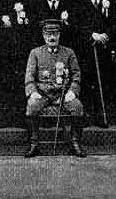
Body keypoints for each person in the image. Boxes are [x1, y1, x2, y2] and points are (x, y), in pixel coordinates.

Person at [24, 19, 86, 158]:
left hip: (63, 93)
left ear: (59, 35)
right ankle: (34, 144)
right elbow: (29, 76)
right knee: (32, 106)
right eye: (48, 34)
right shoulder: (35, 53)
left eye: (55, 34)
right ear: (43, 36)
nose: (52, 37)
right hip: (43, 94)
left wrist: (72, 91)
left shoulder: (69, 53)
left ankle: (75, 143)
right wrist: (32, 92)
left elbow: (76, 74)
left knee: (77, 107)